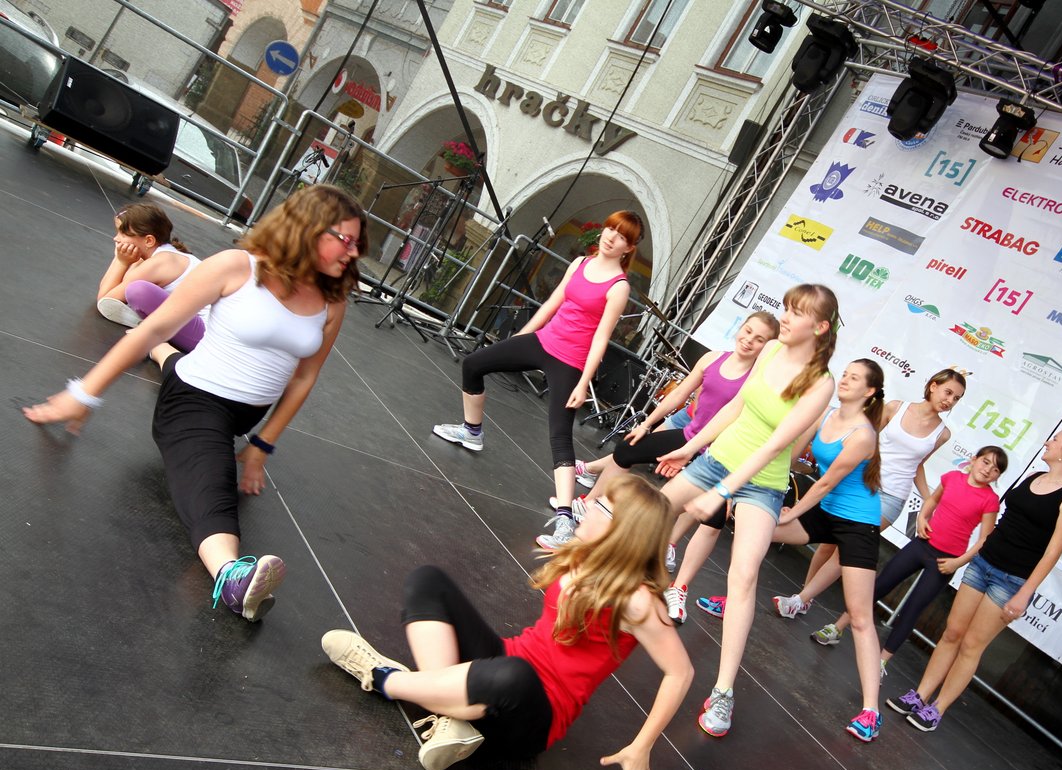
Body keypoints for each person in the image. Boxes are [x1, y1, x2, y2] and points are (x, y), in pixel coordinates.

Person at [25, 185, 366, 621]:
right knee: (212, 487)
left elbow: (304, 377)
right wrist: (82, 395)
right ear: (308, 230)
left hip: (244, 415)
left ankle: (166, 357)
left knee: (170, 358)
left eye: (358, 244)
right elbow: (151, 328)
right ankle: (233, 578)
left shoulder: (332, 300)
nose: (354, 253)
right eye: (346, 240)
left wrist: (262, 446)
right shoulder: (235, 267)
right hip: (194, 401)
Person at [319, 475, 693, 770]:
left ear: (623, 531)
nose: (587, 506)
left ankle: (384, 678)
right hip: (506, 661)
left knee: (513, 675)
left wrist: (641, 746)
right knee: (428, 580)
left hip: (534, 713)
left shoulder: (639, 601)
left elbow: (680, 673)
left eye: (601, 506)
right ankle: (451, 712)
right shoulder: (587, 555)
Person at [654, 283, 838, 737]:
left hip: (763, 483)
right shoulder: (771, 349)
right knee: (651, 511)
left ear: (820, 327)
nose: (785, 317)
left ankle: (723, 692)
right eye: (786, 308)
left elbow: (777, 446)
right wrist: (690, 448)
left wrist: (723, 492)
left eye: (796, 313)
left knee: (743, 576)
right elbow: (736, 406)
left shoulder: (821, 383)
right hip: (719, 457)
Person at [432, 210, 643, 549]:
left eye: (621, 236)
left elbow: (601, 339)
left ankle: (565, 520)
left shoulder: (619, 287)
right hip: (544, 341)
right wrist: (521, 338)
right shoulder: (580, 263)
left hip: (570, 361)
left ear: (628, 248)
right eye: (610, 229)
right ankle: (472, 432)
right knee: (473, 364)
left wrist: (583, 384)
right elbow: (551, 305)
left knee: (559, 435)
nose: (611, 237)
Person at [566, 311, 780, 621]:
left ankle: (678, 588)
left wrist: (732, 487)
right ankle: (591, 502)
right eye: (747, 331)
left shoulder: (758, 381)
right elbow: (680, 394)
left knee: (712, 521)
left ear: (767, 347)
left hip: (720, 456)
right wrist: (647, 424)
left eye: (759, 339)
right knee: (627, 449)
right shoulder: (712, 359)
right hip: (690, 437)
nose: (749, 340)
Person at [889, 427, 1062, 732]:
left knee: (971, 645)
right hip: (983, 564)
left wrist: (1024, 594)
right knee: (952, 633)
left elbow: (1052, 553)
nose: (1048, 441)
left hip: (1011, 580)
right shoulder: (1033, 477)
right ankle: (920, 695)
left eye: (1056, 440)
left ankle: (938, 708)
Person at [779, 446, 1005, 676]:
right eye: (986, 462)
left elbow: (984, 540)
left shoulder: (990, 500)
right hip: (920, 545)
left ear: (997, 476)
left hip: (946, 561)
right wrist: (922, 518)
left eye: (996, 469)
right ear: (974, 459)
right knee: (878, 586)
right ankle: (836, 628)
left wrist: (958, 563)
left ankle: (881, 662)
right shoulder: (952, 477)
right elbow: (932, 501)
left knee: (912, 609)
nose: (988, 470)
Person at [768, 359, 888, 741]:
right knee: (759, 531)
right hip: (826, 511)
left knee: (860, 615)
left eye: (855, 378)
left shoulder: (863, 435)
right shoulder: (829, 414)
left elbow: (824, 484)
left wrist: (790, 512)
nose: (846, 379)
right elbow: (796, 454)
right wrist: (769, 483)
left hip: (857, 524)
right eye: (845, 374)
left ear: (870, 391)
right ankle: (730, 599)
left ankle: (871, 712)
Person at [805, 368, 969, 648]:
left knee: (844, 553)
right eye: (948, 392)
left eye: (956, 398)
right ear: (932, 386)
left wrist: (928, 499)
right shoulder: (895, 407)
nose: (950, 400)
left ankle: (802, 600)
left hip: (892, 497)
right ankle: (804, 597)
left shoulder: (943, 434)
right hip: (861, 483)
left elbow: (918, 465)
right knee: (827, 545)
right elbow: (865, 438)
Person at [95, 203, 207, 350]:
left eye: (123, 233)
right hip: (200, 328)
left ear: (149, 241)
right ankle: (149, 323)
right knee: (134, 289)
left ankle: (147, 325)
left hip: (207, 338)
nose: (116, 238)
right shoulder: (165, 255)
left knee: (137, 291)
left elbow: (105, 301)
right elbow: (117, 289)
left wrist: (120, 261)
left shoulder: (158, 263)